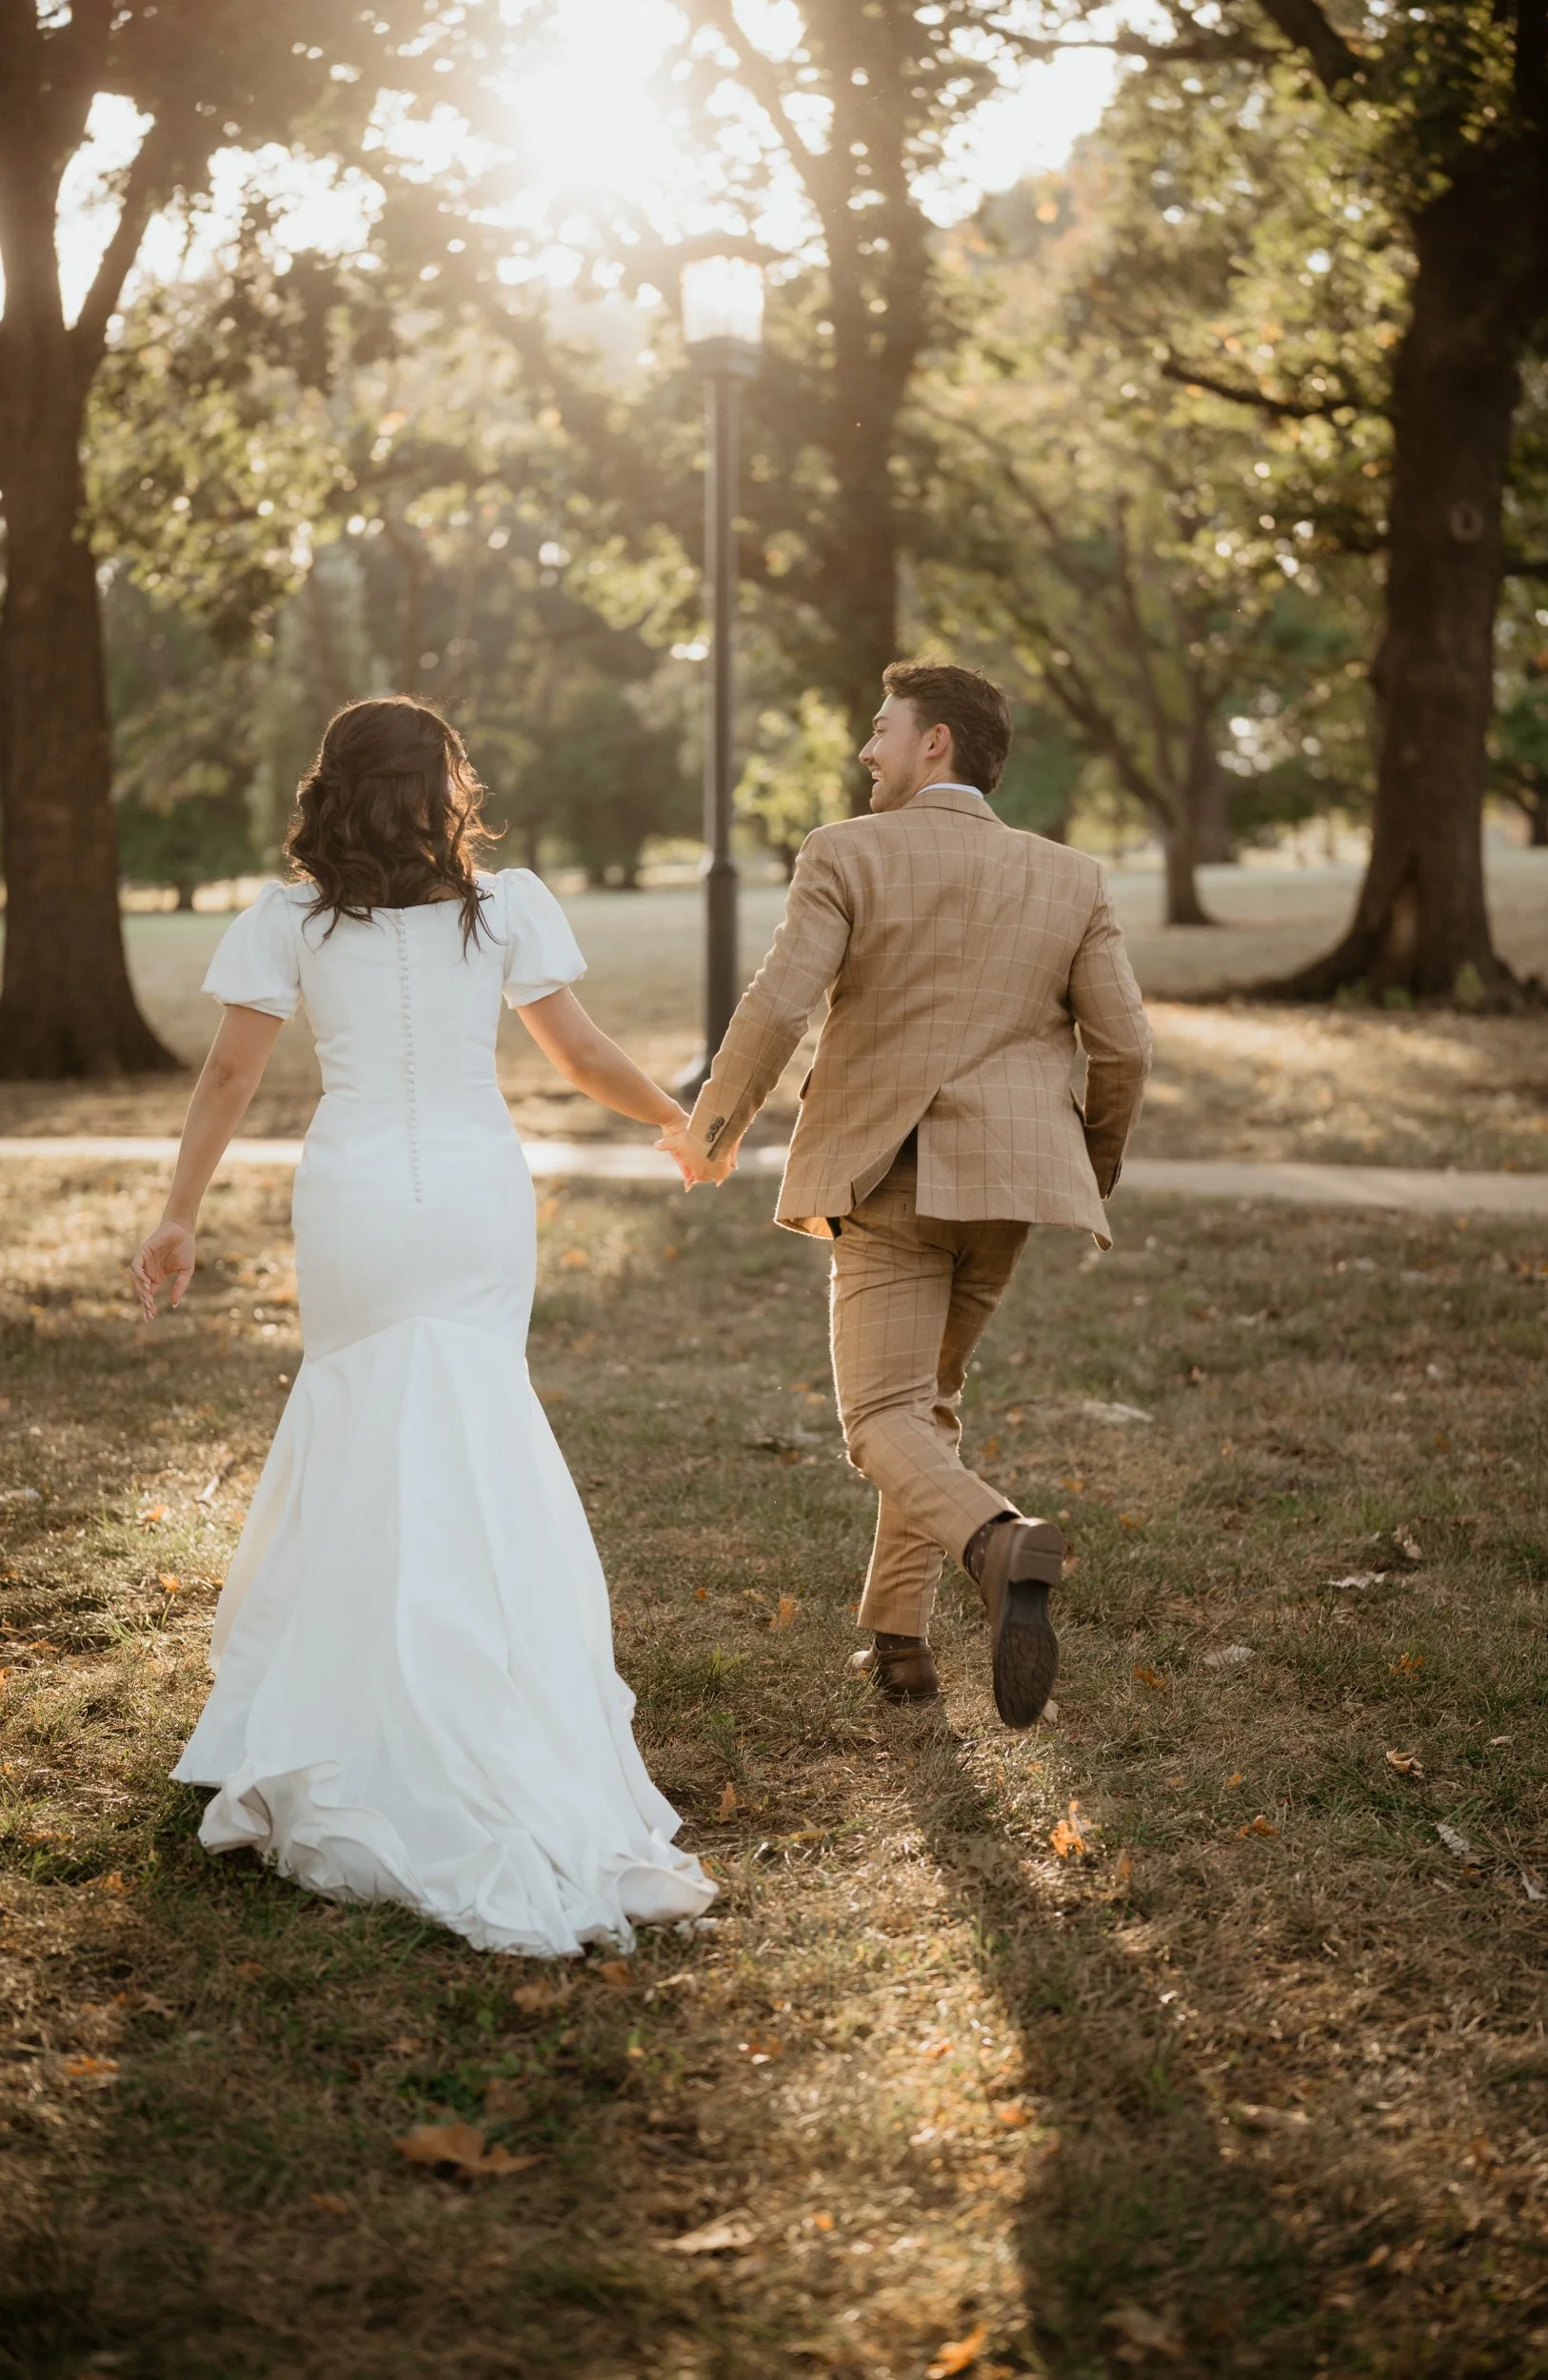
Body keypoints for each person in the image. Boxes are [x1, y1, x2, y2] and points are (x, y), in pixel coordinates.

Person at [131, 696, 714, 1956]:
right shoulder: (504, 908)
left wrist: (177, 1216)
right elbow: (576, 1056)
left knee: (362, 1416)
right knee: (469, 1417)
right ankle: (481, 1678)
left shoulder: (287, 919)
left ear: (328, 788)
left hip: (350, 1197)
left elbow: (229, 1077)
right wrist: (675, 1121)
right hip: (468, 1194)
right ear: (443, 785)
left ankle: (340, 1703)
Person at [662, 662, 1152, 1728]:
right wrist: (1083, 1164)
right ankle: (899, 1643)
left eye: (879, 731)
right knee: (924, 1405)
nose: (864, 751)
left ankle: (997, 1541)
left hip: (890, 1176)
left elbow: (778, 1002)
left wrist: (711, 1130)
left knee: (879, 1417)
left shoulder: (845, 853)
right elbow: (1124, 1047)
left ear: (934, 743)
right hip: (1010, 1192)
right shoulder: (1071, 876)